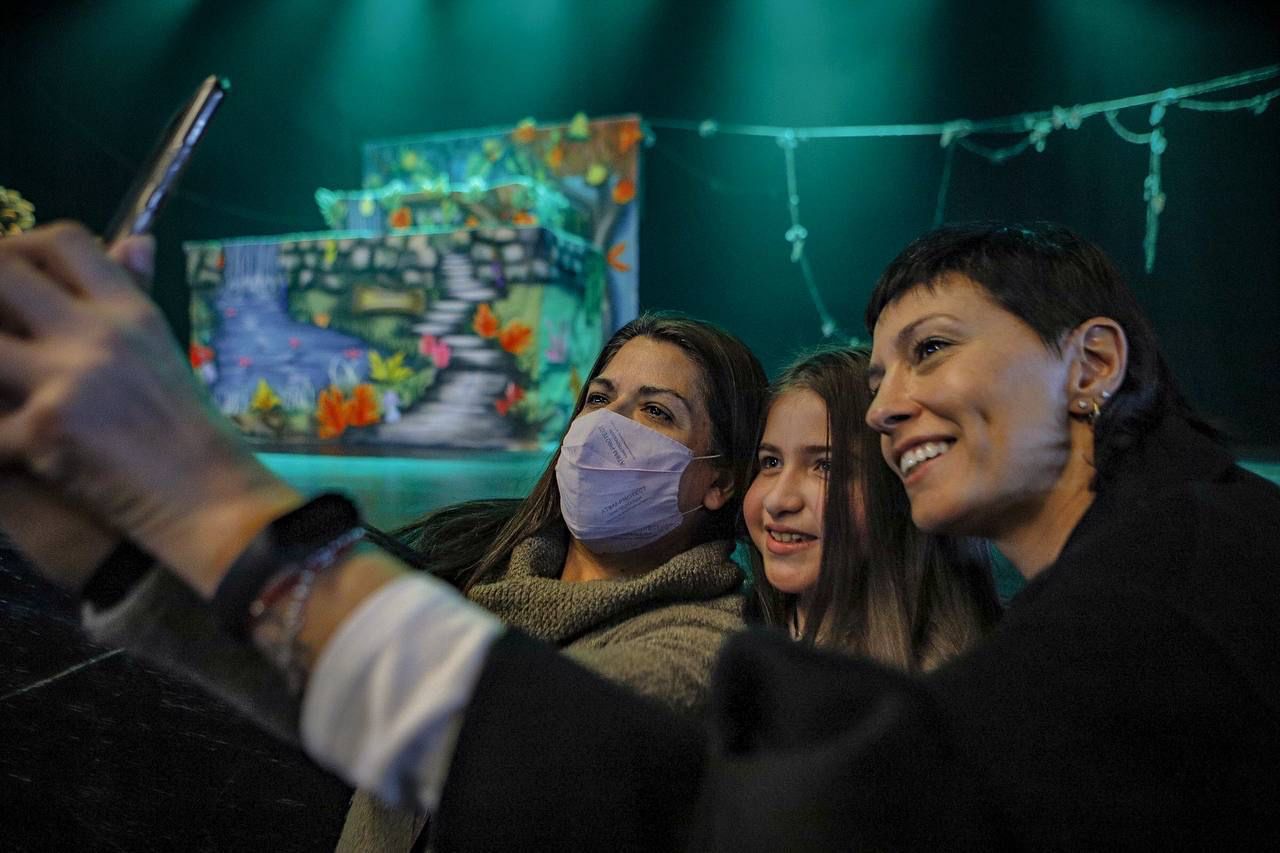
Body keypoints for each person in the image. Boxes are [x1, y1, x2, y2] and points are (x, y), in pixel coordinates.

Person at [3, 221, 1278, 849]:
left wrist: (215, 504)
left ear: (1088, 365)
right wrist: (107, 550)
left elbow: (755, 818)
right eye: (880, 367)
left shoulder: (1182, 583)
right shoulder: (1137, 572)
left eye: (930, 351)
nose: (888, 403)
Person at [742, 345, 999, 663]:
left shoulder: (975, 670)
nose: (777, 500)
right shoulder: (727, 635)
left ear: (901, 488)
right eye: (771, 462)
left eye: (827, 466)